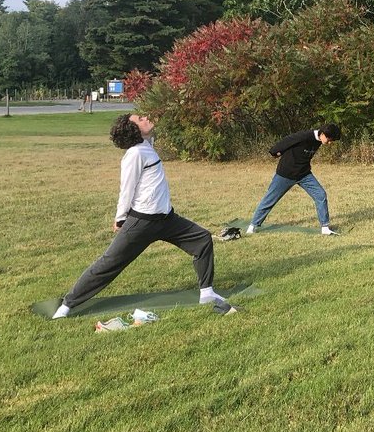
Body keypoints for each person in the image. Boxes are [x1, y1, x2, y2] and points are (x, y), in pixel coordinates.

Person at [52, 113, 235, 318]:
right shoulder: (134, 154)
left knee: (202, 239)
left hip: (167, 219)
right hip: (143, 222)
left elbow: (151, 134)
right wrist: (121, 218)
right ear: (134, 129)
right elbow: (126, 189)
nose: (145, 117)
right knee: (109, 263)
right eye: (140, 119)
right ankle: (66, 306)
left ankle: (207, 293)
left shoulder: (146, 145)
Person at [245, 123, 342, 235]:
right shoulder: (303, 136)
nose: (329, 143)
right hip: (285, 174)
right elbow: (287, 140)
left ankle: (325, 228)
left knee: (321, 195)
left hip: (304, 174)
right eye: (329, 140)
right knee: (269, 200)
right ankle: (253, 226)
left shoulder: (319, 140)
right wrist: (275, 151)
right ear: (323, 134)